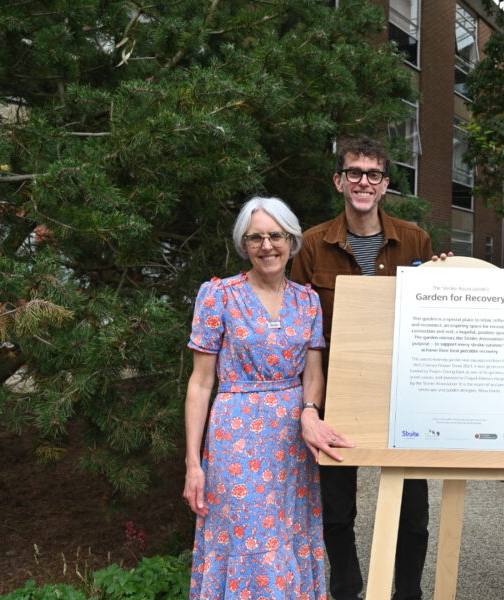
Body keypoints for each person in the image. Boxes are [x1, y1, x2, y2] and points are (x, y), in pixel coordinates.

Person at [289, 136, 439, 600]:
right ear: (339, 181)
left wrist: (449, 274)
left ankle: (407, 593)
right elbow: (296, 324)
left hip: (404, 396)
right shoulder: (311, 246)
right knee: (336, 512)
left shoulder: (415, 240)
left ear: (385, 185)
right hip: (338, 394)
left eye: (373, 175)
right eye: (354, 172)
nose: (363, 182)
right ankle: (347, 591)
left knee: (413, 516)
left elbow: (435, 313)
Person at [183, 196, 353, 600]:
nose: (266, 245)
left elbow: (314, 372)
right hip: (235, 439)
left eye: (275, 235)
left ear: (291, 241)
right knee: (248, 536)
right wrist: (193, 464)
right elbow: (200, 384)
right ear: (244, 244)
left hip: (292, 442)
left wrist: (310, 411)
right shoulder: (218, 296)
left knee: (287, 534)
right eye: (255, 237)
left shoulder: (306, 299)